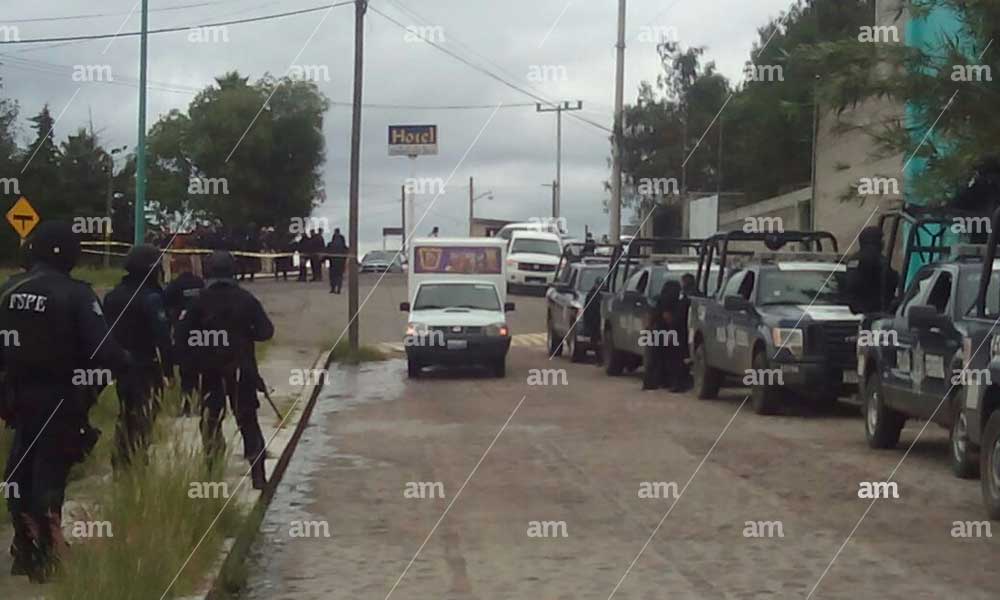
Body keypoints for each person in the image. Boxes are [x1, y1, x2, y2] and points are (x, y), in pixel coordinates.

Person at [0, 221, 130, 581]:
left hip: (17, 398)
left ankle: (25, 548)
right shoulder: (76, 294)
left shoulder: (9, 290)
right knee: (49, 475)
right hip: (61, 398)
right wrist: (127, 364)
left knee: (18, 473)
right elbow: (104, 350)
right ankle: (47, 556)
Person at [179, 251, 274, 489]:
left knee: (211, 421)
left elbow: (181, 336)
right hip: (242, 370)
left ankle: (212, 473)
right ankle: (259, 476)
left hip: (209, 371)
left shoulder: (198, 301)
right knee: (248, 422)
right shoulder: (246, 299)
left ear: (209, 271)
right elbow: (266, 331)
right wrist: (243, 336)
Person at [103, 244, 174, 470]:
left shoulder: (113, 295)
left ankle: (121, 460)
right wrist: (169, 371)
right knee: (144, 415)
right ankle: (134, 461)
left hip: (121, 365)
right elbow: (162, 337)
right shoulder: (151, 298)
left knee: (127, 412)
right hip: (145, 365)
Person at [164, 266, 205, 416]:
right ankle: (203, 403)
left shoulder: (174, 286)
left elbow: (166, 305)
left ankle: (186, 405)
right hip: (201, 333)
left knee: (186, 372)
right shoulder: (200, 283)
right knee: (202, 369)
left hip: (182, 333)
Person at [642, 280, 685, 392]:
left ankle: (651, 383)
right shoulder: (673, 300)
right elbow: (667, 316)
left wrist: (649, 328)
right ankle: (673, 384)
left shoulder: (659, 298)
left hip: (657, 331)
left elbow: (652, 314)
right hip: (668, 331)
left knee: (654, 358)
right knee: (672, 359)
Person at [846, 226, 899, 315]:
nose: (883, 243)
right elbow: (890, 279)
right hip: (875, 310)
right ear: (875, 241)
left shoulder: (853, 258)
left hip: (857, 309)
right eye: (881, 239)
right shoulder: (877, 258)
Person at [327, 228, 349, 294]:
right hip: (340, 262)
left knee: (332, 276)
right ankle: (338, 289)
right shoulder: (342, 242)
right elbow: (346, 251)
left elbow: (328, 251)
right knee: (339, 276)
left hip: (333, 261)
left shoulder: (331, 243)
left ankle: (333, 288)